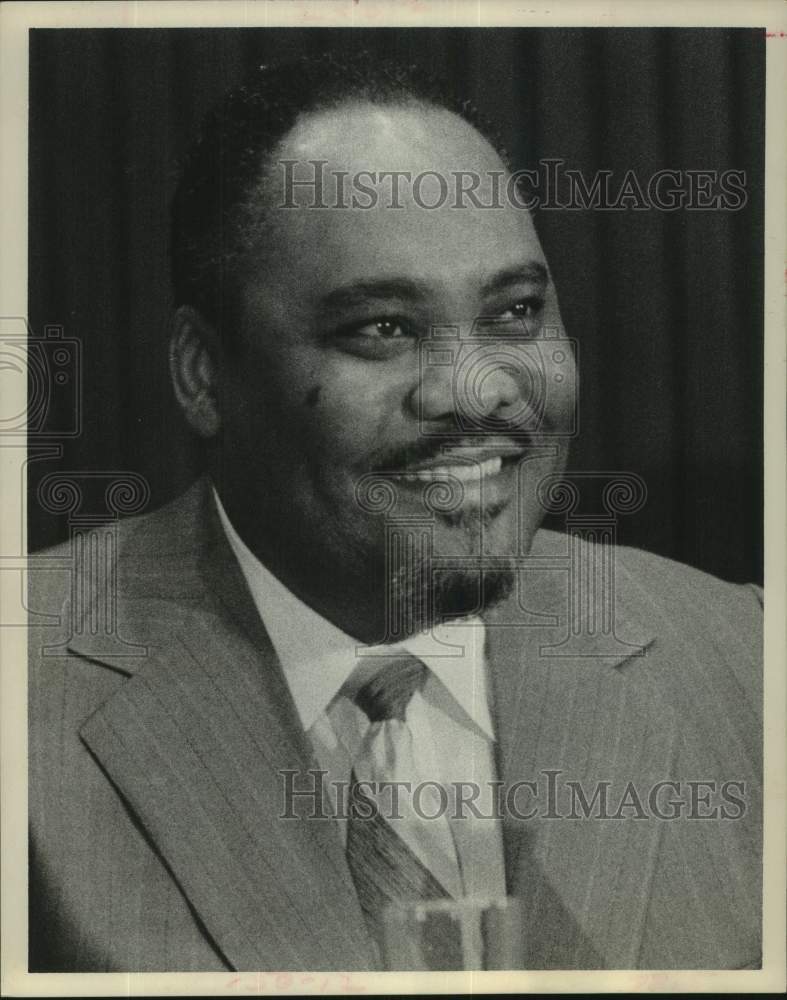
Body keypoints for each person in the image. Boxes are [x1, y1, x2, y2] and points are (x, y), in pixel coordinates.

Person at [28, 53, 762, 972]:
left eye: (513, 313)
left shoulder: (742, 662)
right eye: (382, 327)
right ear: (203, 373)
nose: (476, 391)